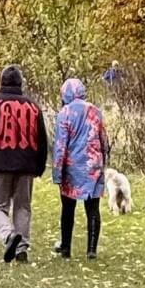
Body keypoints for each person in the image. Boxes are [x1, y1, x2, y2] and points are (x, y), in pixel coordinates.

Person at [0, 65, 48, 263]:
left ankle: (8, 235)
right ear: (21, 83)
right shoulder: (33, 107)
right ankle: (21, 248)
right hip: (27, 165)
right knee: (23, 206)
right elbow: (42, 140)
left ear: (1, 82)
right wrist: (40, 166)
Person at [50, 77, 110, 259]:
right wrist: (104, 160)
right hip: (93, 166)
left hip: (72, 168)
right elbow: (104, 140)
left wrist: (57, 172)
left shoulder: (65, 113)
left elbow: (60, 145)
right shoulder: (96, 111)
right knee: (93, 208)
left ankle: (66, 247)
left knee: (68, 208)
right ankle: (91, 249)